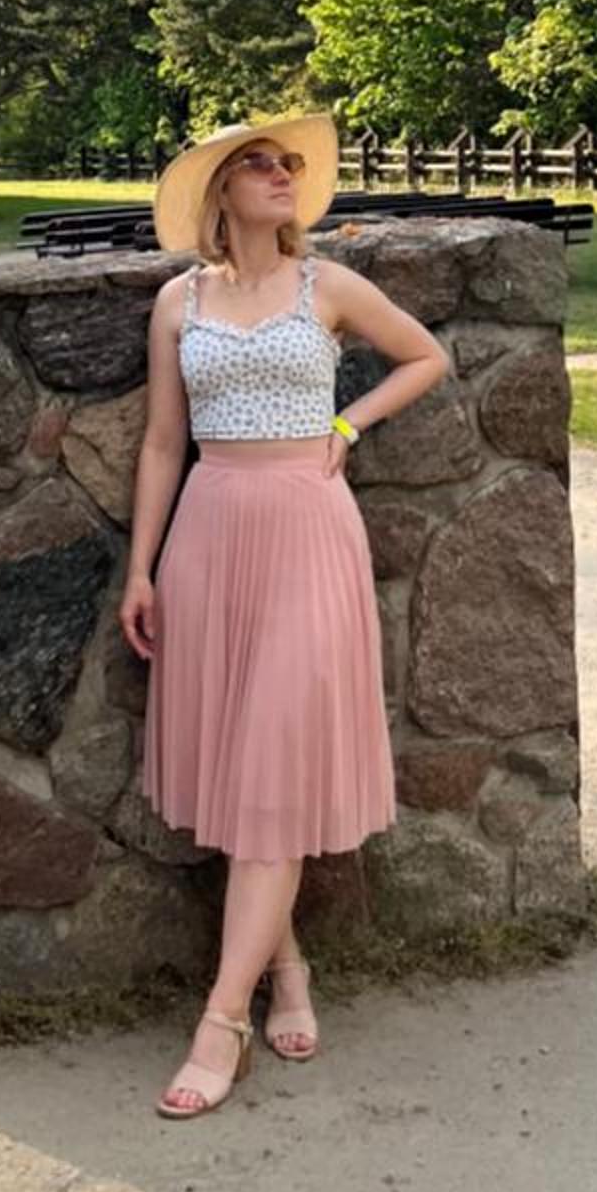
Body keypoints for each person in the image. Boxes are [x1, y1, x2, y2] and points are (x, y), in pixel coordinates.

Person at [120, 111, 451, 1119]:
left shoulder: (328, 286)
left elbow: (425, 358)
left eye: (288, 163)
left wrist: (349, 422)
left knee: (274, 751)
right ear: (220, 191)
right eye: (257, 164)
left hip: (309, 530)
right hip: (211, 533)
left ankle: (221, 1022)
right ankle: (288, 968)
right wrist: (141, 571)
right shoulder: (179, 301)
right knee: (241, 767)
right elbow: (163, 443)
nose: (280, 174)